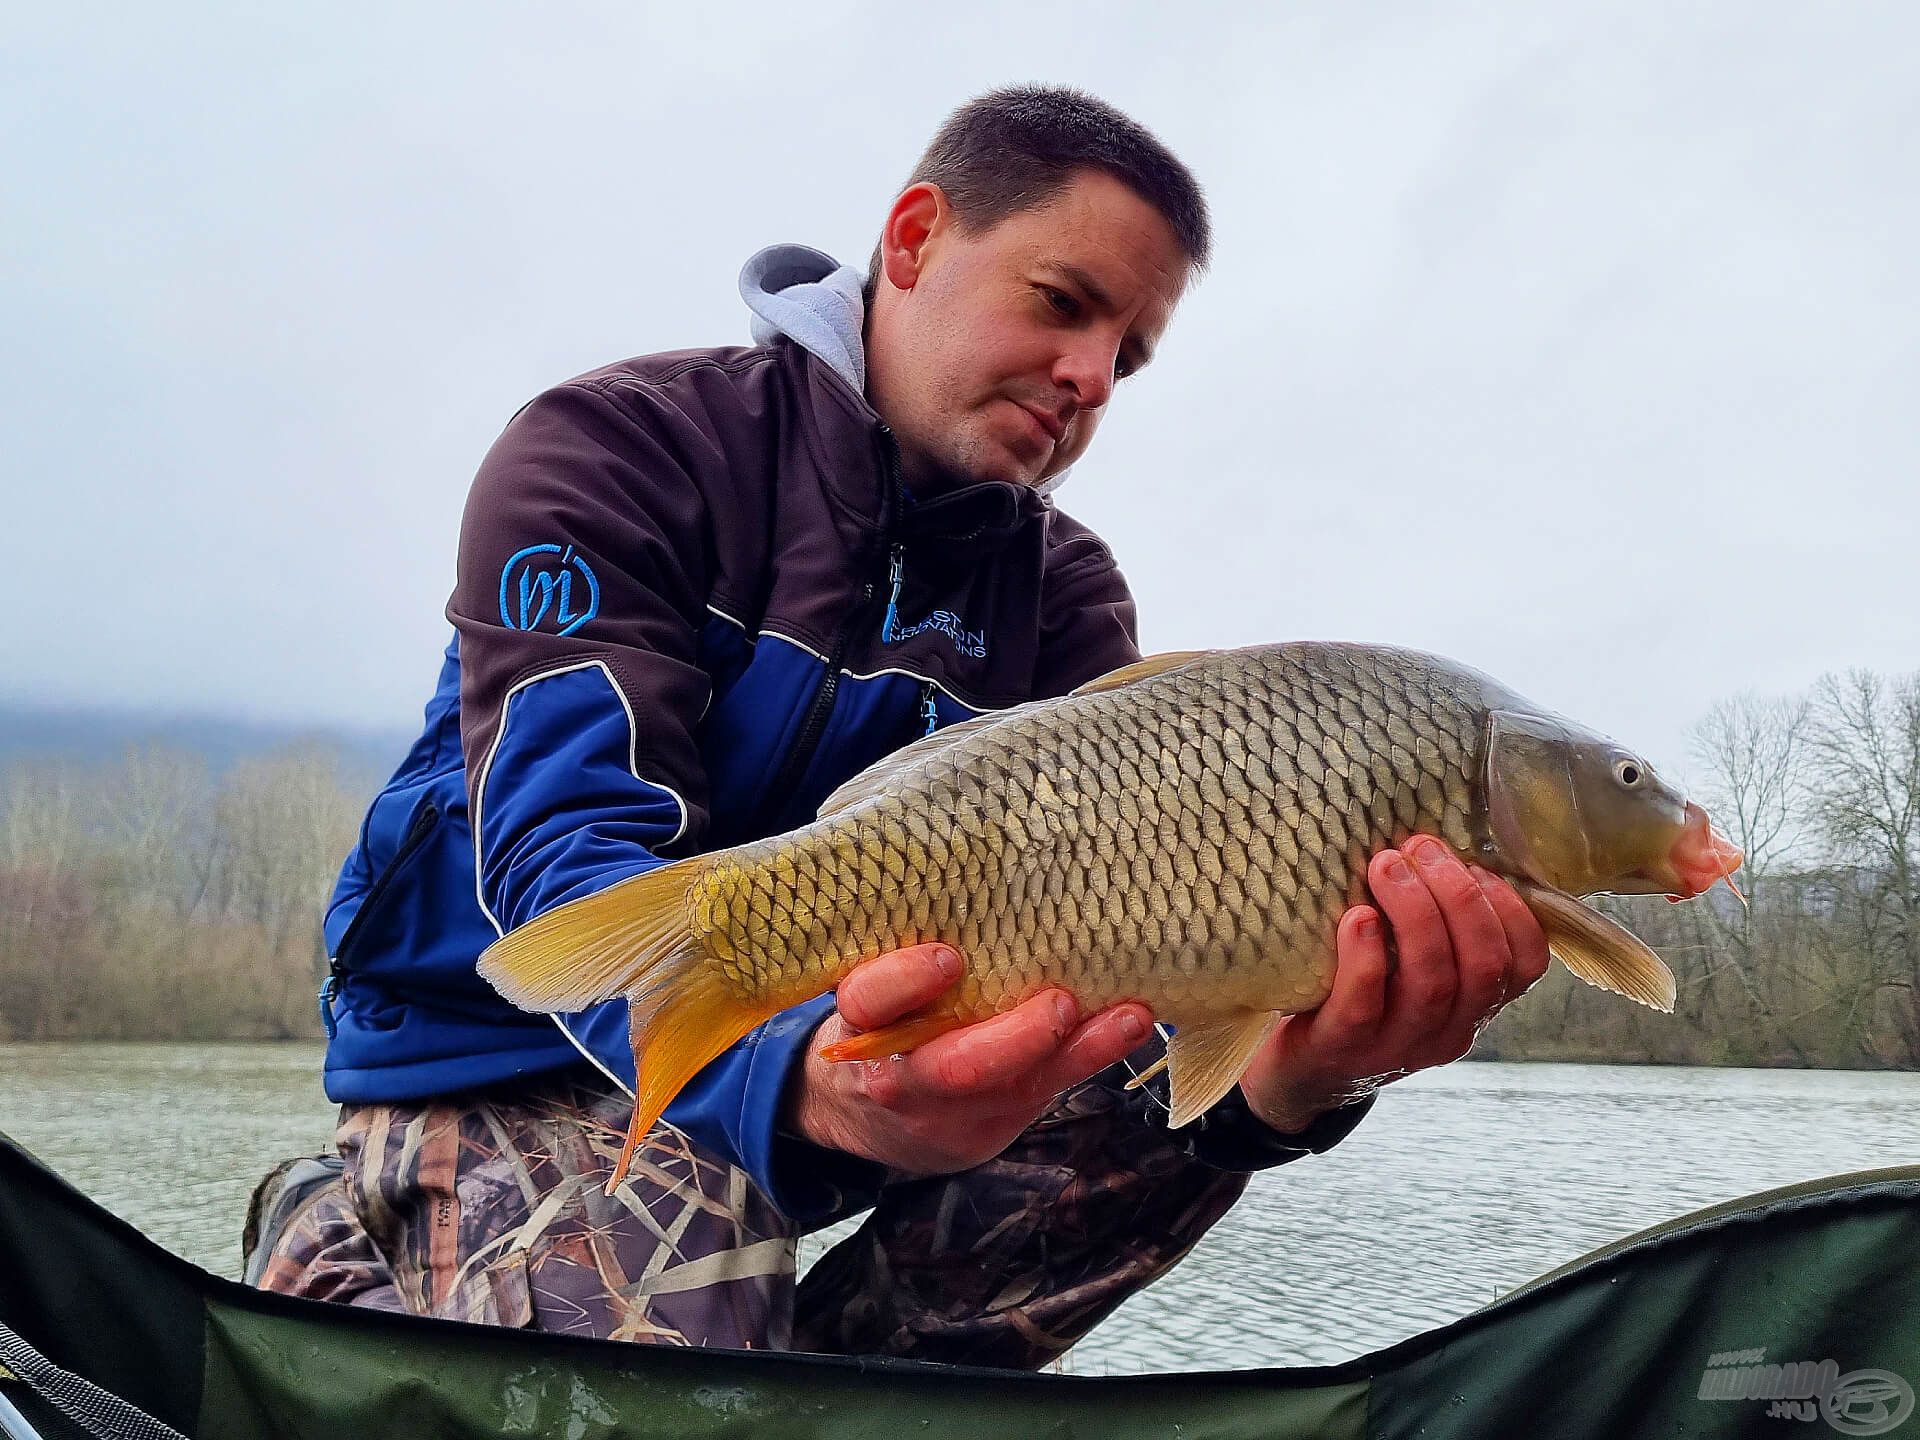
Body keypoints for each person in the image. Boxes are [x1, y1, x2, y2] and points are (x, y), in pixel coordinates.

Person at [248, 85, 1549, 1368]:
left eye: (1131, 357)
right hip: (504, 1052)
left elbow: (1135, 984)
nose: (1092, 377)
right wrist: (801, 1078)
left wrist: (1294, 1080)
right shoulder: (615, 451)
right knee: (690, 1240)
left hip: (872, 1085)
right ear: (916, 238)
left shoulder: (1069, 600)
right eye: (1064, 303)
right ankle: (329, 1244)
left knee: (1160, 1135)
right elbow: (564, 861)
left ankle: (796, 1379)